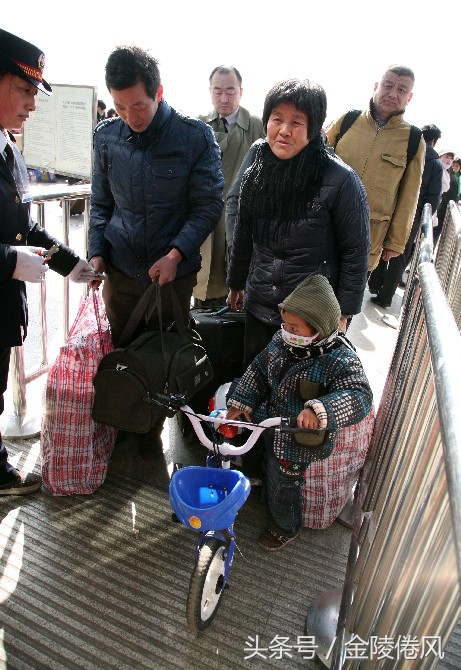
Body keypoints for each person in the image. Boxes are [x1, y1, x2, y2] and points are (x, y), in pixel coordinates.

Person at [88, 45, 224, 448]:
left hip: (171, 276)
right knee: (125, 350)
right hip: (120, 270)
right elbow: (100, 203)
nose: (131, 118)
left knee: (164, 354)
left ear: (159, 92)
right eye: (120, 107)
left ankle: (153, 430)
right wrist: (97, 252)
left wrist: (176, 254)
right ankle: (125, 422)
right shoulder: (106, 137)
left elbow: (208, 206)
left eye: (140, 106)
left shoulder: (194, 137)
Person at [0, 29, 97, 495]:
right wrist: (7, 262)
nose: (32, 105)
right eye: (24, 91)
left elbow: (24, 229)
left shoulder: (10, 151)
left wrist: (74, 267)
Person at [226, 78, 370, 367]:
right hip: (259, 304)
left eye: (297, 122)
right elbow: (243, 233)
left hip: (308, 318)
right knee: (251, 385)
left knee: (295, 396)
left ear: (314, 127)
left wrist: (342, 315)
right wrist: (236, 283)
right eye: (277, 119)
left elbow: (355, 252)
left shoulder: (340, 180)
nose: (284, 131)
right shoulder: (257, 167)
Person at [226, 275, 373, 550]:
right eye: (285, 324)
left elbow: (359, 395)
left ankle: (284, 527)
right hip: (270, 423)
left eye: (295, 327)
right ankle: (264, 493)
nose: (287, 331)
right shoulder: (282, 342)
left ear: (319, 327)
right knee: (269, 465)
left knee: (286, 485)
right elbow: (259, 369)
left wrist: (321, 410)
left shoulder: (339, 359)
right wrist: (241, 400)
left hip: (299, 441)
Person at [325, 65, 426, 292]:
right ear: (376, 86)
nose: (392, 94)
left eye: (401, 90)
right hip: (324, 229)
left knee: (343, 308)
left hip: (368, 239)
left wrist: (396, 243)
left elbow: (409, 196)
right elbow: (317, 161)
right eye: (388, 86)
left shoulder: (413, 139)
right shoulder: (347, 121)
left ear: (409, 98)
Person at [193, 65, 265, 307]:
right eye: (218, 91)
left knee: (238, 285)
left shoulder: (257, 126)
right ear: (209, 91)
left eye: (230, 91)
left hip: (240, 217)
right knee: (204, 283)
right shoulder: (199, 125)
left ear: (241, 92)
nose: (224, 98)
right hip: (206, 217)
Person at [368, 124, 443, 307]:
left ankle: (375, 283)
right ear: (434, 141)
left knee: (379, 245)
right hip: (412, 217)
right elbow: (433, 198)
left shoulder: (409, 152)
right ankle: (385, 297)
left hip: (392, 208)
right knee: (398, 257)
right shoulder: (436, 165)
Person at [433, 150, 458, 247]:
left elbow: (448, 198)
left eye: (451, 158)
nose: (448, 160)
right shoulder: (438, 170)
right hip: (435, 211)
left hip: (438, 214)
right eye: (446, 157)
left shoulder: (450, 176)